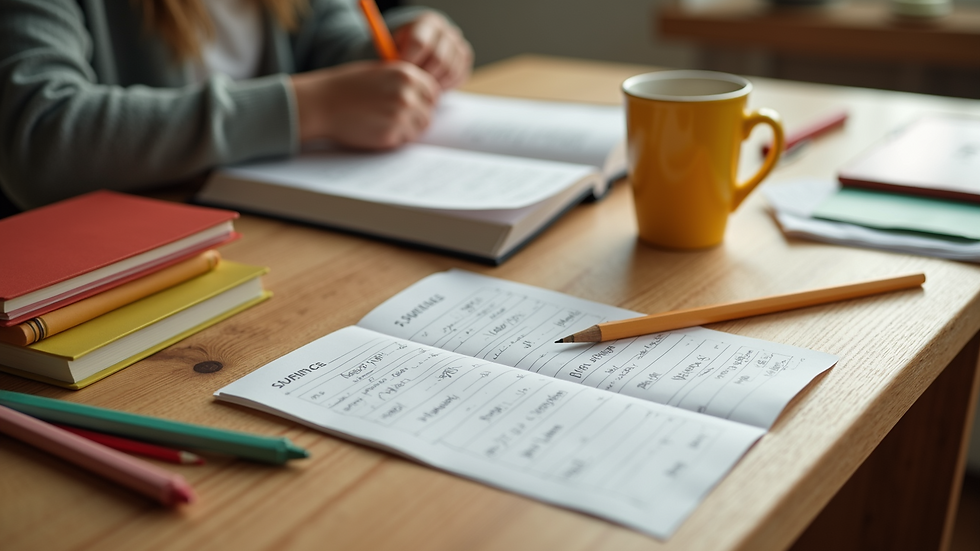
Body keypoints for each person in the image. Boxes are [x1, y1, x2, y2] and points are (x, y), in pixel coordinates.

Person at [0, 0, 473, 213]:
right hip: (111, 259)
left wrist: (406, 43)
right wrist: (309, 106)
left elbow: (332, 43)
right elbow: (41, 135)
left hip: (262, 224)